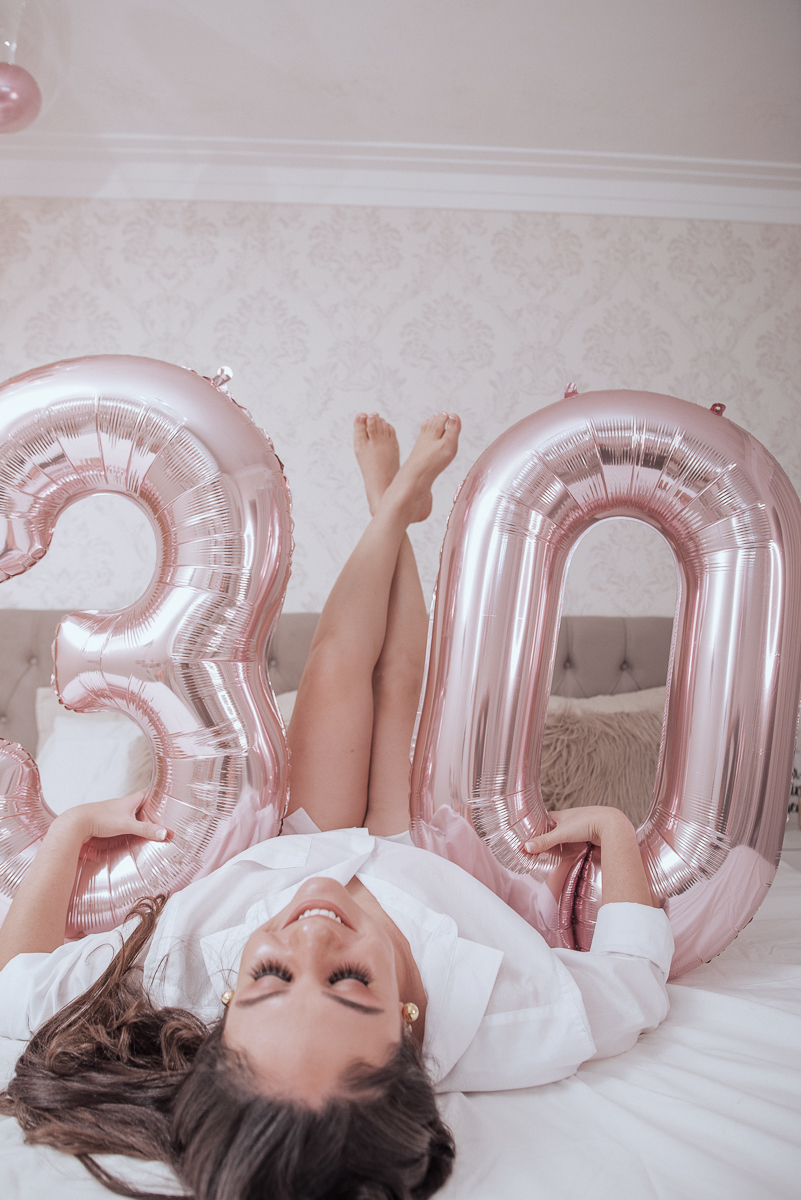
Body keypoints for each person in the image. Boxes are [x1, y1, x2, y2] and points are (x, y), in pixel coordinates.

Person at [0, 413, 673, 1200]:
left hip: (296, 843)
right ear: (410, 1031)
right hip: (423, 864)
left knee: (336, 665)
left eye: (269, 975)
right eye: (352, 982)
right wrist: (618, 832)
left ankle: (387, 506)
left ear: (216, 1016)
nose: (313, 934)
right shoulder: (515, 1026)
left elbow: (16, 983)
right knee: (403, 690)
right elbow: (634, 980)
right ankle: (395, 502)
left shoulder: (170, 987)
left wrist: (74, 829)